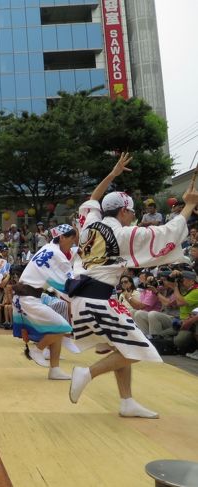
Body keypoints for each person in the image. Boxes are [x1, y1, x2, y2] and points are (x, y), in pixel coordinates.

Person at [67, 152, 198, 419]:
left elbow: (93, 198)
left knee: (121, 347)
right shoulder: (122, 234)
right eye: (132, 212)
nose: (133, 217)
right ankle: (87, 373)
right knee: (139, 349)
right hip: (97, 302)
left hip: (84, 299)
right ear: (124, 211)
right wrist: (189, 206)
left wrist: (112, 174)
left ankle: (127, 401)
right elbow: (165, 233)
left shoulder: (91, 224)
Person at [12, 224, 78, 379]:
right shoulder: (58, 255)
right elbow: (70, 283)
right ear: (62, 237)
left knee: (56, 328)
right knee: (62, 328)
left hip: (28, 297)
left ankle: (54, 369)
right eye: (72, 240)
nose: (72, 244)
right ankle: (38, 349)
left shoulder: (47, 248)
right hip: (28, 299)